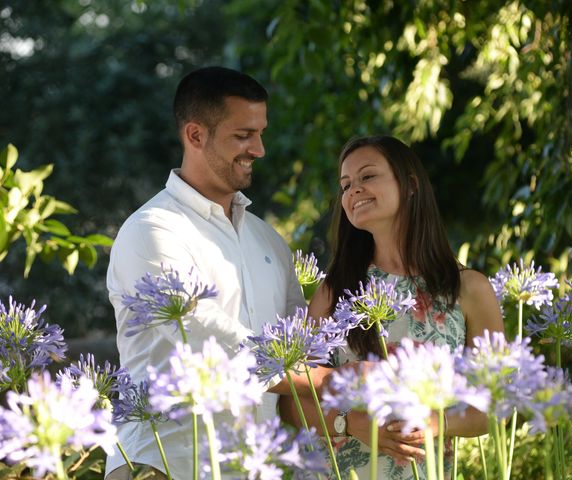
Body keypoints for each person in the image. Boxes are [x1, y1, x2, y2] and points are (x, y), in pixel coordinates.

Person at [104, 66, 306, 479]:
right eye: (243, 135)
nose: (260, 149)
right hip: (164, 462)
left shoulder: (269, 242)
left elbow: (300, 342)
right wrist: (313, 379)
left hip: (252, 467)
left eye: (261, 132)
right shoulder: (152, 229)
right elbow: (200, 331)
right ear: (195, 135)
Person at [279, 135, 504, 479]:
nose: (353, 190)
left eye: (367, 176)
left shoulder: (469, 289)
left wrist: (437, 422)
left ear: (410, 184)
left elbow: (494, 404)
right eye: (345, 184)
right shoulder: (334, 290)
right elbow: (291, 402)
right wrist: (351, 424)